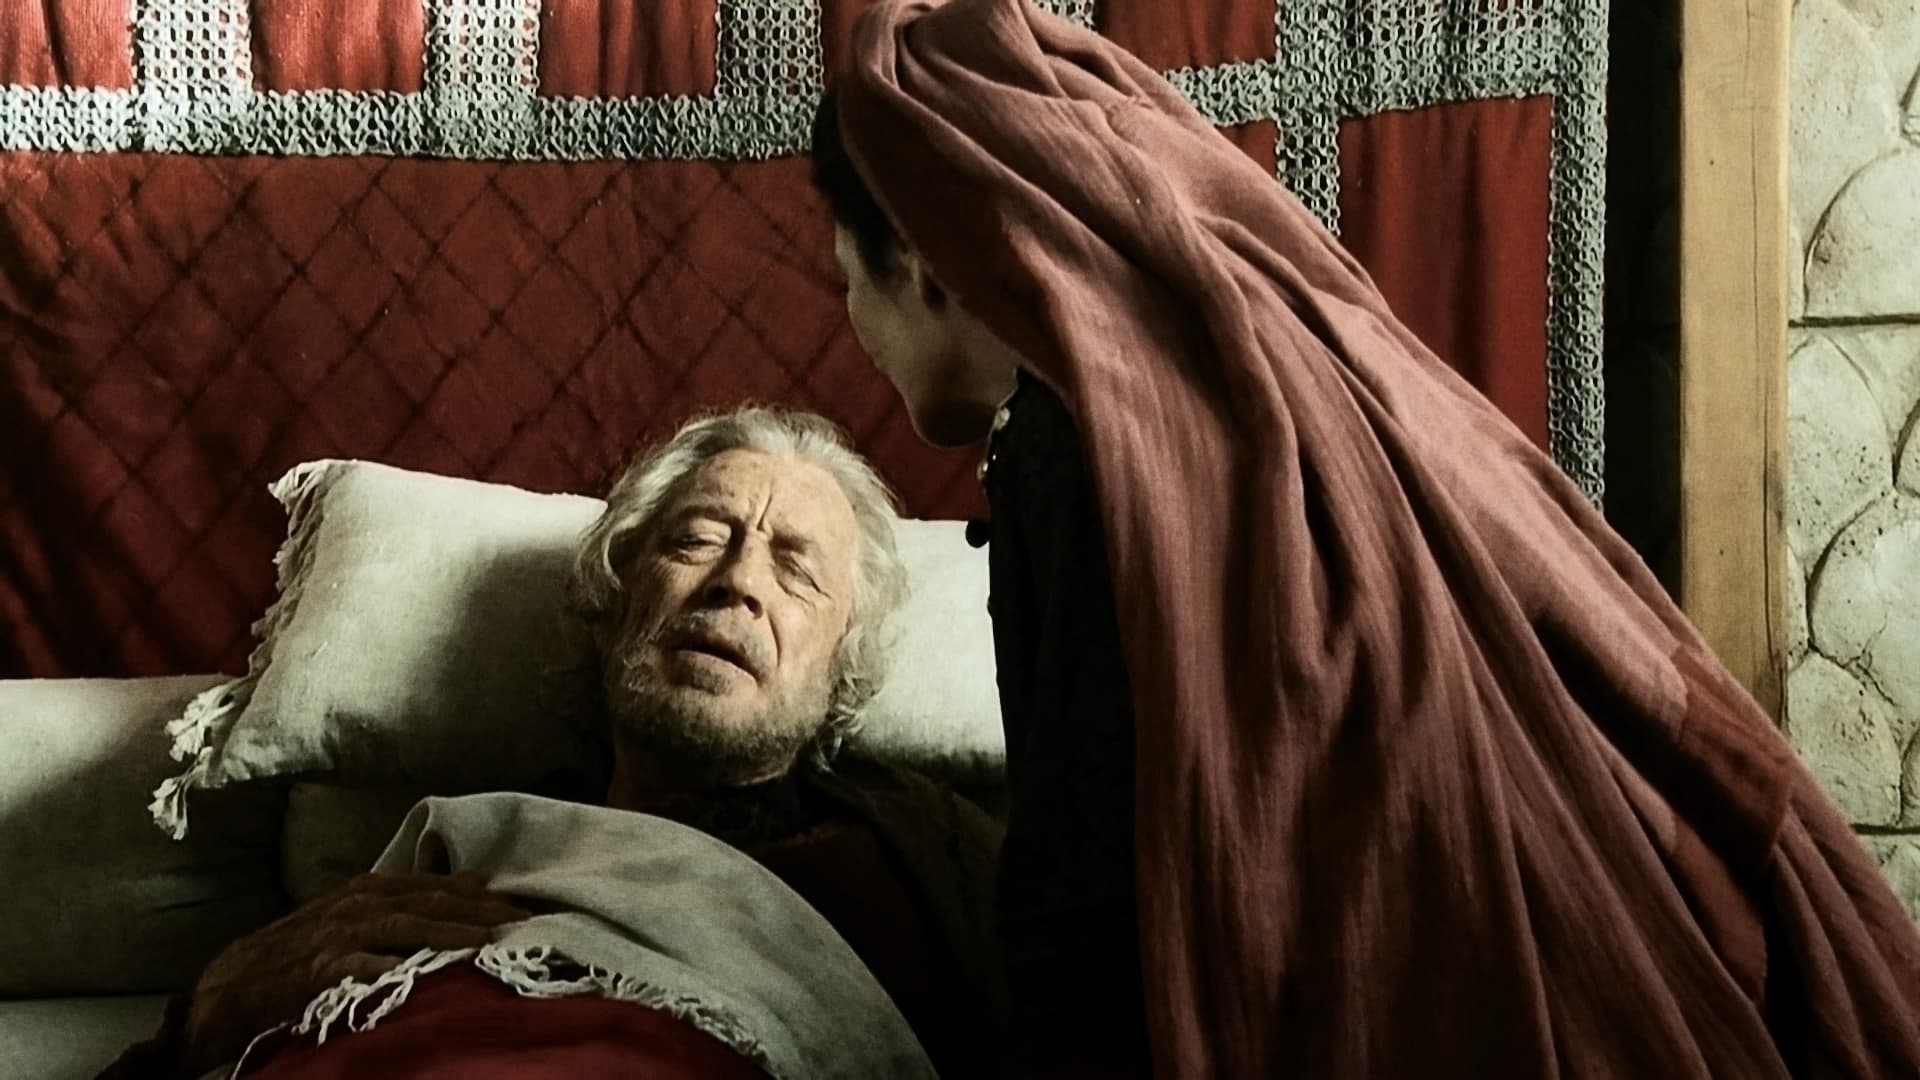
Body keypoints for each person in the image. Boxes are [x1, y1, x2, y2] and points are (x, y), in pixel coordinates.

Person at [812, 0, 1920, 1077]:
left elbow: (1091, 898)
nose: (854, 324)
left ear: (920, 259)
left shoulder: (1078, 442)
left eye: (845, 278)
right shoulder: (1294, 372)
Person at [101, 407, 1007, 1079]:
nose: (737, 582)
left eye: (797, 572)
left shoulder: (921, 846)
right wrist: (209, 1010)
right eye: (697, 540)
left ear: (841, 665)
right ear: (615, 602)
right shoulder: (475, 847)